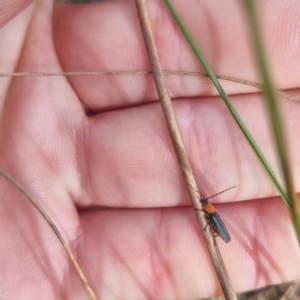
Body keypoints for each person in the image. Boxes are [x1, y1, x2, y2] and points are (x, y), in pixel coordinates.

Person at [1, 0, 299, 299]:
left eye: (205, 200)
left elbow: (209, 216)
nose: (204, 200)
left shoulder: (210, 212)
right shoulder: (210, 209)